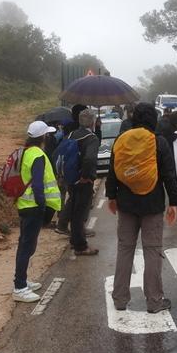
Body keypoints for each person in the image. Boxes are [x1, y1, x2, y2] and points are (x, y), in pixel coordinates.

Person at [108, 103, 177, 314]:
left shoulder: (121, 140)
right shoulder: (159, 142)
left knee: (124, 249)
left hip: (126, 205)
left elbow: (113, 171)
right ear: (153, 119)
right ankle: (154, 301)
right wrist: (174, 202)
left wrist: (111, 196)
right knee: (152, 251)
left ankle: (120, 299)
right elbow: (169, 174)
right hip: (152, 205)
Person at [13, 121, 63, 302]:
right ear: (44, 137)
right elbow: (38, 184)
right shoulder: (38, 156)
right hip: (33, 207)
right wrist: (43, 206)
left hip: (25, 205)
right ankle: (19, 287)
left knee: (25, 245)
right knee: (27, 246)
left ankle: (22, 280)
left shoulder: (26, 152)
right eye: (48, 134)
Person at [65, 109, 101, 256]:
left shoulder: (72, 135)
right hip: (83, 180)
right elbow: (90, 159)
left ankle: (74, 241)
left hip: (71, 179)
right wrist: (86, 176)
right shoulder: (91, 138)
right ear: (92, 122)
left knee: (74, 211)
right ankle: (81, 246)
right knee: (80, 213)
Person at [56, 104, 90, 234]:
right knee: (82, 198)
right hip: (77, 170)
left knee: (73, 197)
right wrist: (85, 175)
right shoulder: (79, 131)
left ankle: (63, 224)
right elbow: (88, 154)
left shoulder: (70, 129)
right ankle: (78, 227)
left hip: (68, 168)